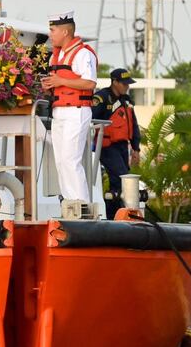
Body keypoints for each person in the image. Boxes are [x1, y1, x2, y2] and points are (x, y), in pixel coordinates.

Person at [41, 11, 98, 205]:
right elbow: (59, 84)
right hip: (59, 111)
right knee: (60, 161)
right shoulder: (54, 57)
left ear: (65, 32)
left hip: (77, 111)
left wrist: (61, 80)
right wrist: (49, 87)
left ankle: (81, 204)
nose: (50, 34)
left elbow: (90, 83)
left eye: (53, 29)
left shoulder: (83, 53)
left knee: (71, 160)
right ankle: (68, 203)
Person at [91, 68, 141, 219]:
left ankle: (114, 215)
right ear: (115, 82)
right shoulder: (102, 97)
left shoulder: (127, 101)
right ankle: (118, 214)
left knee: (118, 183)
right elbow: (90, 118)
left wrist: (136, 148)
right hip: (106, 146)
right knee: (122, 178)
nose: (127, 86)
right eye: (124, 83)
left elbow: (134, 125)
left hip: (121, 147)